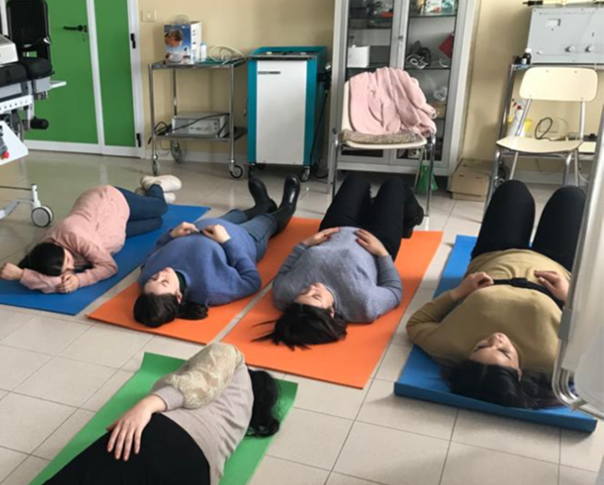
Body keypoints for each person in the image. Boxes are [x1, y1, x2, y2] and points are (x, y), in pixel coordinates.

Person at [407, 180, 586, 409]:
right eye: (504, 351)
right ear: (519, 372)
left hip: (493, 256)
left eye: (480, 347)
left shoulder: (449, 347)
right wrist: (569, 298)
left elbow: (416, 324)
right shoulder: (554, 363)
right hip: (558, 266)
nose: (496, 339)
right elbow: (595, 341)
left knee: (513, 189)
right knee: (571, 196)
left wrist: (459, 292)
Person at [39, 343, 281, 485]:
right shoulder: (240, 417)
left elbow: (202, 382)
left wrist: (146, 405)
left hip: (167, 439)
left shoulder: (234, 358)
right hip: (200, 479)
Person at [263, 174, 424, 349]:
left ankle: (369, 207)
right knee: (394, 184)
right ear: (331, 312)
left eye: (304, 292)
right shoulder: (363, 305)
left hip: (335, 229)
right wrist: (382, 253)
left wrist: (305, 244)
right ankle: (412, 218)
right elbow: (394, 291)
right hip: (377, 240)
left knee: (356, 180)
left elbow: (284, 271)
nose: (312, 287)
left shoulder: (284, 294)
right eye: (316, 296)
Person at [134, 176, 300, 328]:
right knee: (264, 220)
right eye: (164, 282)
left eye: (154, 278)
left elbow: (153, 255)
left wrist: (171, 235)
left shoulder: (146, 279)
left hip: (210, 226)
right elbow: (251, 281)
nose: (160, 274)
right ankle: (287, 207)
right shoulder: (210, 289)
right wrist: (227, 241)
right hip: (244, 239)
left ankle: (263, 205)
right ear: (178, 296)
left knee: (238, 214)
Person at [0, 181, 175, 293]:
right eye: (67, 269)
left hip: (112, 200)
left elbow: (109, 267)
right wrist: (21, 275)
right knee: (156, 223)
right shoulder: (46, 254)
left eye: (68, 260)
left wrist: (79, 280)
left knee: (161, 208)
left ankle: (154, 185)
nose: (73, 266)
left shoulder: (74, 235)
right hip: (113, 227)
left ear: (60, 247)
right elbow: (52, 283)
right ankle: (142, 199)